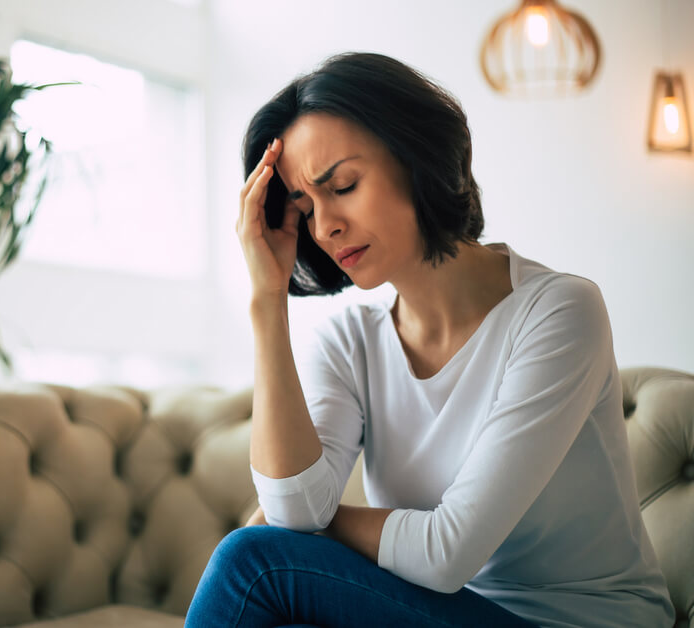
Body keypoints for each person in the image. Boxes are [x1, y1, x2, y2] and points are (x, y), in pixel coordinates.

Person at [184, 53, 674, 628]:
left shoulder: (559, 312)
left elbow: (446, 553)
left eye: (342, 185)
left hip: (580, 623)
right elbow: (294, 510)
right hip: (445, 614)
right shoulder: (352, 341)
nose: (325, 227)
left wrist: (320, 520)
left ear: (416, 157)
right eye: (305, 208)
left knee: (252, 563)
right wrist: (267, 302)